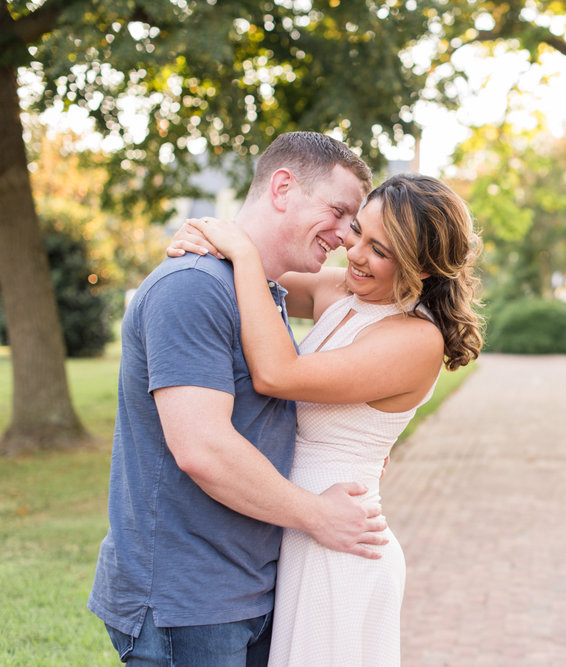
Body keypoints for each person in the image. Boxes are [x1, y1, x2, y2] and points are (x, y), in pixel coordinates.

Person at [88, 131, 390, 666]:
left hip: (246, 588)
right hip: (188, 601)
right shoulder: (193, 286)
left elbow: (381, 288)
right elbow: (202, 448)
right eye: (340, 212)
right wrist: (317, 515)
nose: (347, 237)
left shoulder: (260, 289)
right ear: (282, 188)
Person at [173, 173, 483, 665]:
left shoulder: (414, 339)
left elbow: (276, 373)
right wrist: (207, 238)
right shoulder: (341, 294)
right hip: (299, 523)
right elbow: (252, 280)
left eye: (380, 250)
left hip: (338, 544)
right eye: (356, 231)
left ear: (422, 268)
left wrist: (244, 254)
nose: (354, 253)